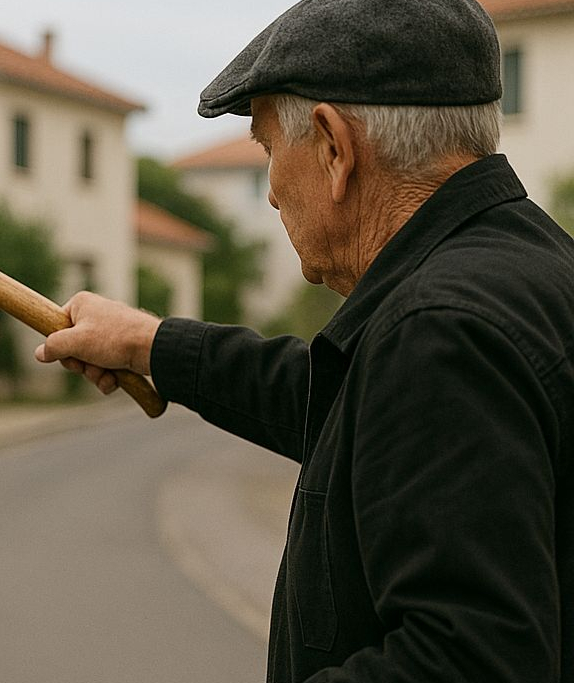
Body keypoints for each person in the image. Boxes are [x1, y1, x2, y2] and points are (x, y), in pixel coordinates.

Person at [36, 0, 574, 681]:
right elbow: (348, 409)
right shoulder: (524, 271)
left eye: (267, 148)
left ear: (333, 146)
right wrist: (151, 344)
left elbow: (467, 661)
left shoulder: (439, 334)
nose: (269, 193)